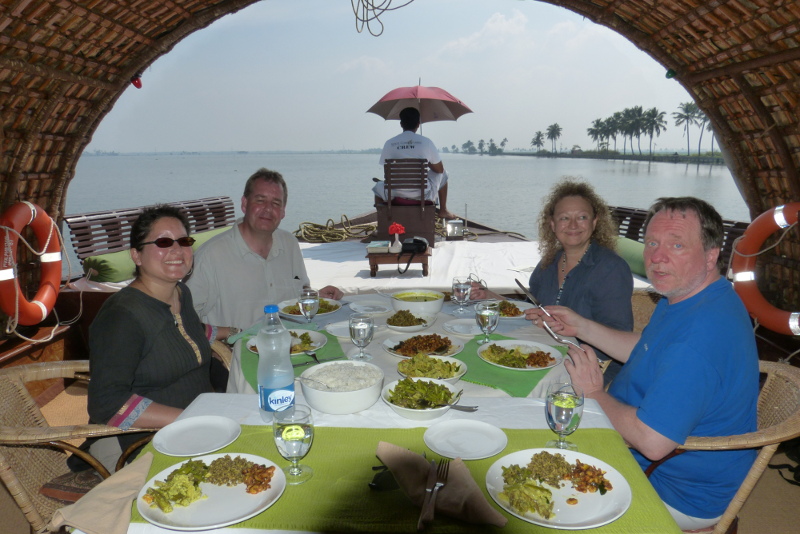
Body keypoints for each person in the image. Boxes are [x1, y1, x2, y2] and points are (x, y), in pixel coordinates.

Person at [531, 197, 759, 530]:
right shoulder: (692, 295)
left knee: (533, 482)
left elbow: (653, 443)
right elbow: (650, 349)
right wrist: (582, 326)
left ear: (711, 256)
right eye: (652, 243)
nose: (657, 257)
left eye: (677, 245)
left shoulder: (700, 338)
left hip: (672, 486)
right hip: (646, 443)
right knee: (536, 414)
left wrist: (594, 393)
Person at [87, 206, 213, 472]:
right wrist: (190, 419)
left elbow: (184, 332)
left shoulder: (180, 293)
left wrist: (230, 331)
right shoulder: (122, 316)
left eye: (184, 241)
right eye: (163, 242)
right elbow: (106, 403)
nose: (177, 250)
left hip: (198, 422)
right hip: (137, 441)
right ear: (137, 255)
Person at [472, 179, 633, 379]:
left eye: (582, 217)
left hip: (591, 369)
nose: (573, 225)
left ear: (594, 222)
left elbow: (619, 337)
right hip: (545, 356)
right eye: (564, 218)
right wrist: (491, 296)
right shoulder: (549, 263)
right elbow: (532, 309)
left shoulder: (611, 269)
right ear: (552, 224)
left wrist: (574, 327)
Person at [188, 168, 343, 332]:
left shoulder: (289, 244)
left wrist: (317, 298)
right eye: (260, 200)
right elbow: (184, 319)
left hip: (293, 345)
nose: (268, 209)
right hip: (236, 352)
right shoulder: (211, 256)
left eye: (276, 203)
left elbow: (294, 298)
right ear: (244, 204)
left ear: (283, 211)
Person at [373, 106, 457, 220]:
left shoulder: (389, 143)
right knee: (444, 174)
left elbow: (386, 170)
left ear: (401, 124)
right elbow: (439, 170)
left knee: (377, 188)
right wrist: (427, 163)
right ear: (418, 124)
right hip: (423, 195)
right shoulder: (426, 142)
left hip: (394, 194)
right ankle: (443, 210)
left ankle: (382, 222)